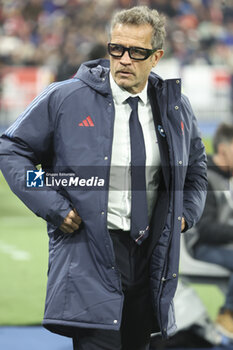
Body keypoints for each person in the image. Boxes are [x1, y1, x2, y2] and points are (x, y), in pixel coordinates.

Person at [0, 6, 207, 350]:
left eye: (136, 52)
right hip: (91, 250)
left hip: (151, 254)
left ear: (156, 57)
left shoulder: (175, 106)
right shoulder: (65, 97)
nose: (124, 59)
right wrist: (53, 205)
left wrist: (187, 214)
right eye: (117, 49)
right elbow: (11, 150)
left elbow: (197, 165)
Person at [193, 123, 233, 340]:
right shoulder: (206, 178)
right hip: (204, 247)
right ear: (225, 149)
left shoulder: (227, 180)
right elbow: (205, 229)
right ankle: (227, 316)